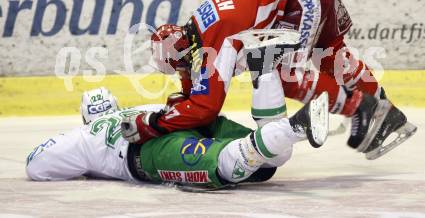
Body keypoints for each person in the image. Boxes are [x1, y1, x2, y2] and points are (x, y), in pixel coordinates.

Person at [126, 0, 416, 160]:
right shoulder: (195, 29)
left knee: (286, 77)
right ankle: (384, 107)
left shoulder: (210, 42)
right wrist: (181, 100)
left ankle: (360, 108)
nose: (181, 73)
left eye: (179, 67)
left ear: (183, 55)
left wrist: (156, 124)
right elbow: (196, 83)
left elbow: (205, 107)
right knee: (329, 51)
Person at [26, 87, 329, 190]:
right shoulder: (137, 108)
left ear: (85, 117)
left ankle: (295, 126)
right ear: (116, 107)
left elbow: (36, 164)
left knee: (228, 168)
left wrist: (86, 168)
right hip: (179, 119)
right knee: (269, 162)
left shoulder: (83, 136)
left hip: (146, 152)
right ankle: (264, 72)